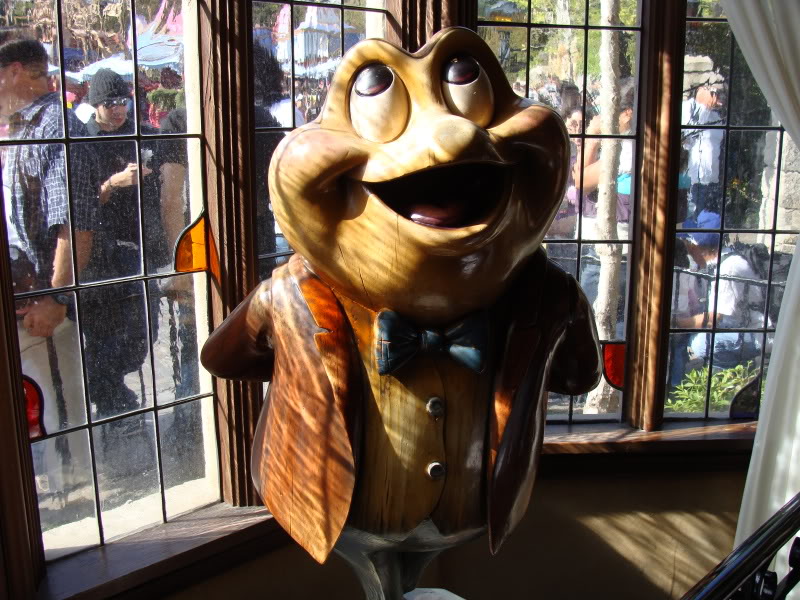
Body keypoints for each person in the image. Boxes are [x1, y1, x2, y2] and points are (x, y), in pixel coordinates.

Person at [0, 39, 98, 494]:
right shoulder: (20, 127)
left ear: (15, 71)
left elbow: (76, 224)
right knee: (41, 402)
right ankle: (61, 484)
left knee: (61, 402)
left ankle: (76, 487)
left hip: (48, 305)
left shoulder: (56, 126)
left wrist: (57, 297)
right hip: (28, 301)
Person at [80, 68, 153, 421]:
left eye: (123, 101)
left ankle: (108, 388)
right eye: (110, 103)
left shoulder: (137, 134)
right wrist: (113, 183)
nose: (118, 108)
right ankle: (110, 398)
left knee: (143, 333)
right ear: (96, 105)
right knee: (104, 335)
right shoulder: (83, 141)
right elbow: (81, 203)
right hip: (100, 252)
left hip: (137, 246)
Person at [682, 84, 725, 218]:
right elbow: (686, 139)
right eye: (713, 92)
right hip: (695, 179)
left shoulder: (716, 116)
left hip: (713, 178)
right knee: (695, 218)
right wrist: (705, 107)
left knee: (711, 219)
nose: (716, 97)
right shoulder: (688, 108)